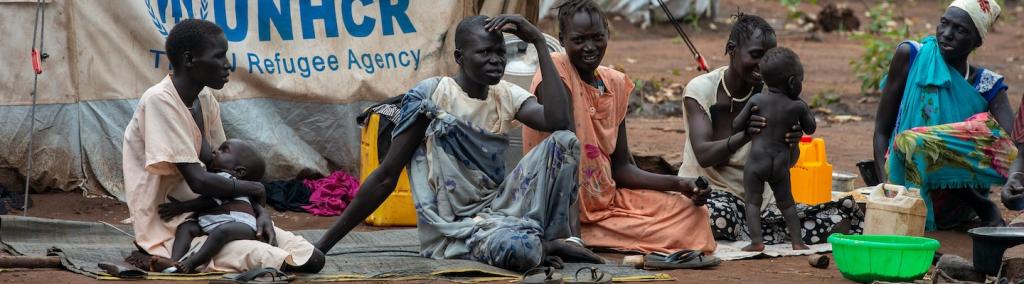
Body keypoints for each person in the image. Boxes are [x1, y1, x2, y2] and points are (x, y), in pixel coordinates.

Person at [315, 15, 602, 272]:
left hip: (499, 209)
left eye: (500, 52)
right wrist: (322, 246)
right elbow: (386, 176)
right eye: (485, 52)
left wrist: (539, 42)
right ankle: (542, 245)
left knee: (565, 142)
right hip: (454, 229)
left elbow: (558, 120)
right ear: (460, 57)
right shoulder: (432, 97)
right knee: (522, 250)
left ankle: (550, 239)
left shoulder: (505, 94)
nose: (496, 60)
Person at [122, 19, 324, 273]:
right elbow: (199, 181)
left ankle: (200, 256)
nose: (227, 64)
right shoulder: (160, 101)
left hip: (218, 213)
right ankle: (173, 260)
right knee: (276, 258)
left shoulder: (204, 99)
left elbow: (223, 169)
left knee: (311, 257)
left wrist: (261, 213)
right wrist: (255, 188)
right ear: (189, 59)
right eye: (219, 56)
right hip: (174, 227)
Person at [521, 0, 717, 256]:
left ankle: (597, 235)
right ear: (562, 40)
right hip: (560, 207)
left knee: (694, 214)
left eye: (597, 38)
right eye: (579, 40)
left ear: (607, 35)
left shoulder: (615, 83)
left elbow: (622, 168)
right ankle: (572, 236)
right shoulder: (557, 67)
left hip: (607, 203)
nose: (589, 48)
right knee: (678, 233)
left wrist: (681, 184)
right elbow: (561, 129)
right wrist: (538, 42)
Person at [677, 14, 864, 246]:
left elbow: (789, 161)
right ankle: (759, 230)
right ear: (731, 49)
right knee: (715, 217)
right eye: (755, 55)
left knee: (843, 216)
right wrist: (745, 134)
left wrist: (792, 142)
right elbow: (705, 156)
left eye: (768, 57)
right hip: (712, 194)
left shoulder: (777, 93)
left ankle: (753, 230)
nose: (762, 65)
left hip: (760, 200)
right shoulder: (701, 90)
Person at [873, 0, 1014, 230]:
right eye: (944, 24)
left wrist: (1016, 177)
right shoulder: (912, 56)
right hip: (905, 187)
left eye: (960, 30)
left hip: (957, 203)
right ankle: (982, 207)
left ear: (976, 41)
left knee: (986, 131)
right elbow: (881, 131)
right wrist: (885, 188)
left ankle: (981, 205)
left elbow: (1014, 140)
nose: (947, 34)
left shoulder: (986, 84)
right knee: (912, 141)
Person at [732, 47, 815, 251]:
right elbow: (811, 128)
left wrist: (750, 122)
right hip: (780, 163)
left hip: (756, 163)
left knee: (752, 202)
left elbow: (736, 125)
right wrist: (801, 109)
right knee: (787, 204)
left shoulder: (757, 100)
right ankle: (797, 242)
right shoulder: (797, 106)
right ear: (792, 82)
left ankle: (757, 242)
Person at [151, 139, 268, 273]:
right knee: (187, 226)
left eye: (224, 150)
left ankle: (191, 263)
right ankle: (174, 261)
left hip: (241, 225)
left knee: (222, 231)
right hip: (217, 223)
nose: (215, 151)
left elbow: (209, 202)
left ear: (239, 171)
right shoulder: (219, 179)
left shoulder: (227, 179)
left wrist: (181, 207)